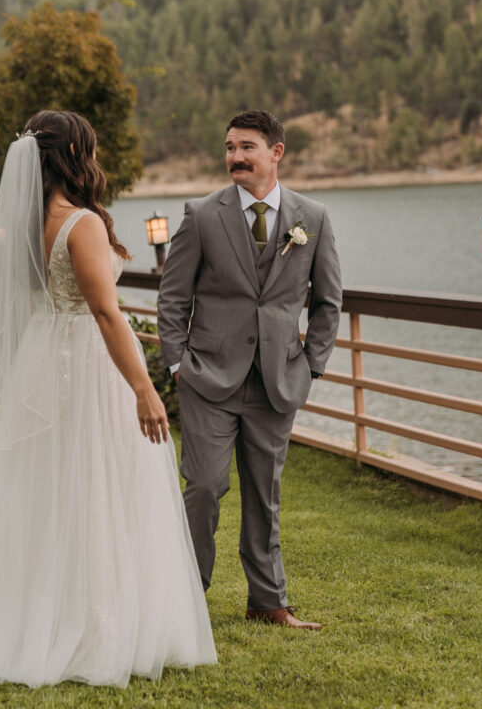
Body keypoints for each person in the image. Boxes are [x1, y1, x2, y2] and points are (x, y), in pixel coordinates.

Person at [0, 110, 216, 688]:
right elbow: (104, 312)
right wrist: (146, 389)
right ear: (75, 155)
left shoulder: (28, 225)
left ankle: (34, 612)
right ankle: (90, 625)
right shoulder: (82, 224)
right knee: (99, 480)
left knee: (49, 486)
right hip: (87, 362)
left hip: (46, 357)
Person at [157, 109, 341, 630]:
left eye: (247, 147)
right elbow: (173, 298)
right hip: (207, 378)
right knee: (205, 486)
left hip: (277, 381)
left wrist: (311, 367)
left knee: (266, 493)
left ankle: (268, 603)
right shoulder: (201, 214)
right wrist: (177, 363)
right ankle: (186, 598)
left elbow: (328, 303)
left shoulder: (313, 218)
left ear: (275, 152)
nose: (236, 157)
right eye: (230, 147)